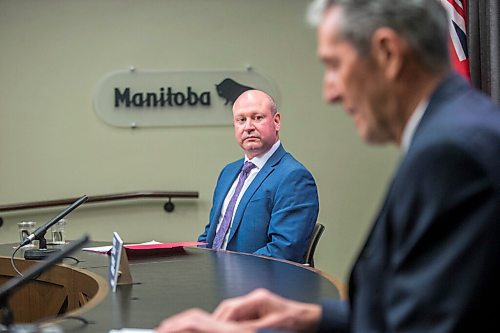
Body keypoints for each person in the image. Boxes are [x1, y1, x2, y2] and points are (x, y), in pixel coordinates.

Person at [157, 0, 500, 332]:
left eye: (335, 65)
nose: (330, 92)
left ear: (387, 53)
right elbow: (402, 307)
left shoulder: (452, 153)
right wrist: (308, 318)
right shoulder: (450, 133)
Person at [197, 89, 319, 264]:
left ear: (276, 122)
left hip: (258, 285)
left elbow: (283, 251)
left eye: (257, 118)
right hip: (216, 279)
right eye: (241, 120)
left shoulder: (293, 177)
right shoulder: (228, 173)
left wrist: (224, 270)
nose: (248, 127)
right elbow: (212, 233)